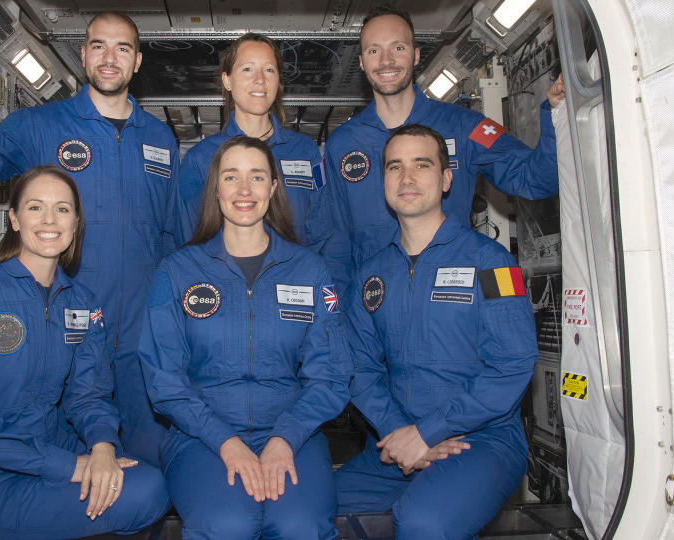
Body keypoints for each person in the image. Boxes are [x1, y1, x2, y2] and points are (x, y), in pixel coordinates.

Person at [0, 11, 179, 465]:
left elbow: (172, 233)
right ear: (82, 54)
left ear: (137, 62)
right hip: (67, 332)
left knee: (149, 467)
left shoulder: (161, 139)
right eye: (98, 46)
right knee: (76, 463)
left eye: (123, 48)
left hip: (141, 334)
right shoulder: (40, 126)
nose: (109, 58)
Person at [0, 165, 169, 540]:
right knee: (142, 494)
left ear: (76, 223)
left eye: (62, 209)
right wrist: (70, 466)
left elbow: (89, 393)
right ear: (14, 219)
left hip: (56, 447)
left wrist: (100, 447)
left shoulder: (81, 303)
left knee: (151, 481)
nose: (49, 220)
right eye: (35, 208)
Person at [139, 137, 351, 539]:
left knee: (300, 526)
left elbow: (332, 375)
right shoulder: (177, 270)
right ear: (215, 188)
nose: (243, 190)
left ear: (273, 188)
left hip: (293, 433)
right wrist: (226, 441)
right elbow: (164, 378)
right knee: (228, 525)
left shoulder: (309, 270)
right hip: (201, 435)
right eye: (231, 176)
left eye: (257, 177)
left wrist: (286, 438)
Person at [334, 125, 538, 539]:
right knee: (314, 512)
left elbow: (513, 364)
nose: (407, 178)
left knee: (425, 523)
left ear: (446, 180)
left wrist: (430, 432)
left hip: (482, 439)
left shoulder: (492, 263)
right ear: (384, 181)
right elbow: (358, 365)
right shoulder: (372, 274)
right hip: (397, 437)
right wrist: (399, 432)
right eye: (395, 167)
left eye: (421, 165)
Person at [324, 4, 565, 295]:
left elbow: (536, 179)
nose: (386, 61)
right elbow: (336, 241)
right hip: (374, 307)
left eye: (398, 48)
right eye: (374, 51)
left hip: (449, 300)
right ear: (361, 62)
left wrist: (556, 115)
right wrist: (337, 318)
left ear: (415, 56)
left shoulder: (464, 126)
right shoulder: (343, 143)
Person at [177, 33, 346, 281]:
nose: (260, 80)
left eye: (269, 70)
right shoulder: (200, 159)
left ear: (278, 82)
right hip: (223, 293)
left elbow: (326, 232)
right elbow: (188, 242)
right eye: (247, 69)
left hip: (294, 289)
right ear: (227, 80)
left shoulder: (305, 151)